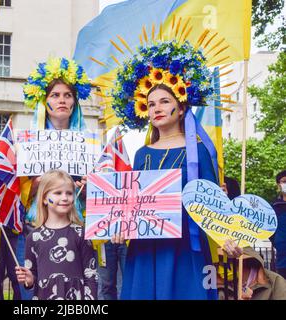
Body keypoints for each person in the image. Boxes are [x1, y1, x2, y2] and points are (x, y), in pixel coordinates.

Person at [100, 37, 242, 299]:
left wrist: (227, 237)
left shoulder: (198, 151)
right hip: (145, 247)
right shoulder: (141, 154)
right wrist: (117, 226)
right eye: (151, 104)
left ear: (181, 108)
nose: (157, 108)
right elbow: (130, 203)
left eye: (164, 101)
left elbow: (211, 204)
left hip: (186, 246)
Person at [17, 57, 93, 299]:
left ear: (74, 102)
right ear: (44, 101)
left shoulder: (91, 143)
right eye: (55, 95)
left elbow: (101, 194)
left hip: (79, 227)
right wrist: (34, 184)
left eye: (68, 95)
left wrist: (90, 186)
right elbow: (16, 188)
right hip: (37, 225)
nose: (62, 100)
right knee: (36, 284)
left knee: (79, 282)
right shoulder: (26, 143)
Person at [15, 170, 98, 300]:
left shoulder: (80, 234)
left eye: (69, 193)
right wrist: (30, 280)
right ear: (44, 199)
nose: (64, 198)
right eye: (58, 193)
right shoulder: (33, 237)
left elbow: (91, 275)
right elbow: (32, 277)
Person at [217, 247, 286, 300]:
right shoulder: (215, 284)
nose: (220, 266)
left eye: (228, 261)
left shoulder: (275, 282)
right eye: (219, 261)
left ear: (245, 261)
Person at [272, 170, 286, 279]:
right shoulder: (274, 208)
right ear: (279, 185)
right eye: (284, 182)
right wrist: (278, 241)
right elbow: (269, 231)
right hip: (283, 260)